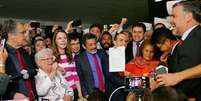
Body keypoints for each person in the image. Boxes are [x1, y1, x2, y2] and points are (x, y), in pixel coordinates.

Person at [155, 1, 201, 100]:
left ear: (188, 17)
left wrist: (176, 77)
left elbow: (185, 81)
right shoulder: (188, 39)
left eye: (174, 16)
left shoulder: (197, 37)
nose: (171, 20)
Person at [2, 19, 37, 100]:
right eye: (22, 32)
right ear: (11, 35)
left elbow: (33, 71)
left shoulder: (23, 52)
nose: (25, 35)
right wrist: (12, 95)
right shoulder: (2, 54)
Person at [52, 30, 84, 100]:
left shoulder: (71, 55)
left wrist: (80, 94)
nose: (63, 40)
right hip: (61, 94)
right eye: (60, 38)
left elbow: (75, 75)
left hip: (74, 90)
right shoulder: (51, 57)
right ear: (55, 41)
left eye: (65, 38)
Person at [75, 33, 109, 98]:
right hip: (91, 92)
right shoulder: (79, 59)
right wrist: (85, 94)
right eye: (90, 45)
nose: (94, 46)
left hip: (106, 90)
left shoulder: (102, 53)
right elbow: (80, 78)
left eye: (95, 43)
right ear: (84, 46)